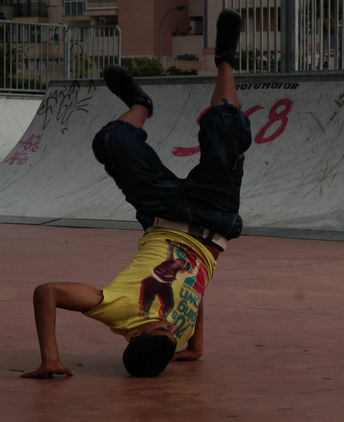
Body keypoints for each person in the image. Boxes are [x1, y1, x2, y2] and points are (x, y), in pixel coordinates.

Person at [20, 9, 251, 378]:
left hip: (159, 214)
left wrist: (50, 357)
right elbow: (192, 289)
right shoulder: (177, 333)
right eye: (173, 334)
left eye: (162, 328)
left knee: (113, 142)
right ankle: (225, 61)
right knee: (225, 131)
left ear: (134, 334)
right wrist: (194, 345)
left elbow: (47, 291)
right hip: (214, 216)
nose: (170, 326)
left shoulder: (118, 309)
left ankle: (140, 106)